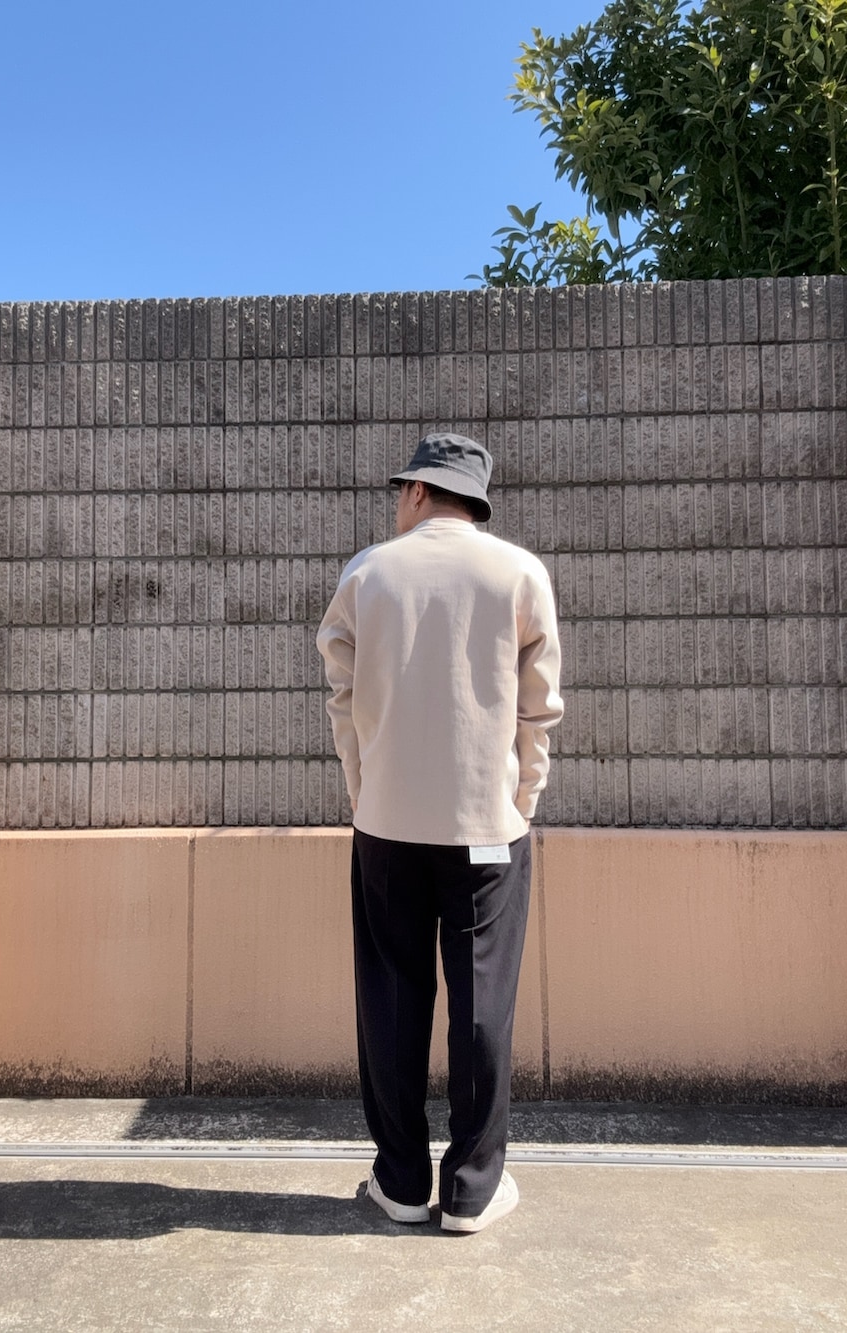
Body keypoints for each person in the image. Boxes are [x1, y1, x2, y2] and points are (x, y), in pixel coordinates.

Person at [316, 432, 564, 1233]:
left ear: (420, 490)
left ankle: (398, 1180)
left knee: (392, 995)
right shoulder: (519, 572)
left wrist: (366, 788)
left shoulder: (369, 572)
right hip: (488, 826)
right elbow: (539, 708)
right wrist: (521, 798)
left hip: (387, 823)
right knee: (482, 998)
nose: (399, 502)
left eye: (403, 489)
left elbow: (341, 693)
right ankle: (471, 1189)